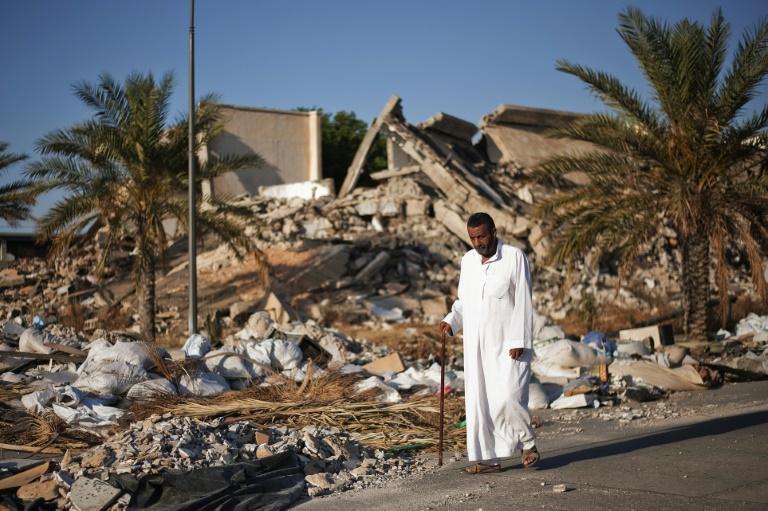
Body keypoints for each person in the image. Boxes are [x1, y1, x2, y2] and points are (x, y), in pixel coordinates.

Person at [439, 212, 539, 473]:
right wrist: (452, 320)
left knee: (508, 397)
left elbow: (524, 303)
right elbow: (464, 301)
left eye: (481, 236)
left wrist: (520, 339)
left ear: (494, 232)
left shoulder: (515, 258)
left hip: (509, 345)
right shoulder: (468, 261)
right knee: (481, 403)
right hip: (477, 348)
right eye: (472, 238)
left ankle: (527, 443)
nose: (477, 242)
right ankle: (490, 460)